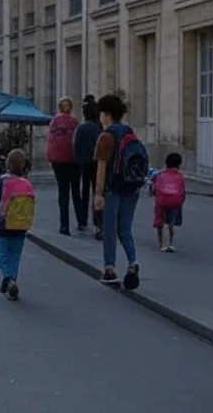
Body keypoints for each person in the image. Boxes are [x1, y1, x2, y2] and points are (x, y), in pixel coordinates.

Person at [93, 93, 150, 288]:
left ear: (106, 115)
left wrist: (98, 194)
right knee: (125, 228)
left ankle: (110, 269)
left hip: (113, 188)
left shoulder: (106, 137)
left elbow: (101, 167)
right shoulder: (129, 134)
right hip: (131, 188)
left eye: (101, 114)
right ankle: (133, 262)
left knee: (110, 229)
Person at [0, 148, 36, 301]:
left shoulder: (2, 181)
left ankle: (8, 277)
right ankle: (12, 280)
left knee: (3, 252)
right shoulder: (27, 184)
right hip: (21, 225)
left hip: (3, 224)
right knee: (15, 254)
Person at [47, 97, 81, 236]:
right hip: (73, 161)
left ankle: (64, 226)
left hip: (58, 162)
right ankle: (81, 221)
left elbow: (50, 140)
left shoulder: (54, 121)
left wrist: (50, 157)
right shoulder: (74, 122)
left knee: (63, 194)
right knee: (75, 192)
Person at [75, 98, 104, 240]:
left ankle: (82, 220)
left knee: (84, 191)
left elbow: (76, 147)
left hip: (84, 163)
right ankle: (97, 221)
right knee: (97, 192)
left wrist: (78, 161)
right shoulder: (99, 128)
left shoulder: (81, 128)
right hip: (97, 163)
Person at [150, 153, 186, 252]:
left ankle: (161, 243)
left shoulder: (160, 175)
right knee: (170, 222)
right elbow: (183, 191)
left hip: (161, 201)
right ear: (179, 165)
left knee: (160, 222)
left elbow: (154, 188)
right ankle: (169, 243)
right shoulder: (180, 177)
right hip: (174, 201)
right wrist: (181, 201)